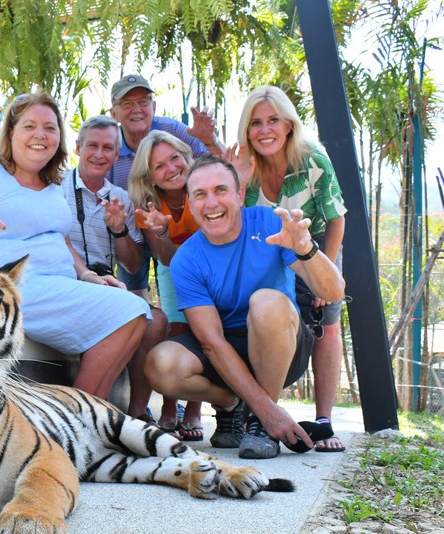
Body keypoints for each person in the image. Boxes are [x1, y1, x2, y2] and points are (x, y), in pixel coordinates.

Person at [0, 92, 151, 401]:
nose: (40, 135)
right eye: (30, 126)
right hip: (10, 287)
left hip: (57, 285)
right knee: (131, 310)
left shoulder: (52, 180)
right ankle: (73, 417)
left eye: (50, 127)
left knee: (132, 309)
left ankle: (85, 415)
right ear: (11, 132)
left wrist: (87, 276)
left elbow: (60, 238)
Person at [144, 154, 346, 459]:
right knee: (160, 364)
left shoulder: (271, 224)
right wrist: (269, 411)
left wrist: (306, 248)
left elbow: (332, 291)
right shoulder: (186, 258)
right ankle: (232, 403)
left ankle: (259, 423)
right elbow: (211, 342)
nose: (211, 203)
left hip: (280, 342)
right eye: (200, 194)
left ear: (239, 195)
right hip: (226, 348)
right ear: (190, 203)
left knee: (265, 302)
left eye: (220, 190)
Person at [234, 85, 348, 452]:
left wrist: (319, 270)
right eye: (256, 123)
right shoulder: (247, 169)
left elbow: (336, 220)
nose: (264, 129)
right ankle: (263, 412)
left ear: (288, 125)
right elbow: (239, 222)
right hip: (269, 251)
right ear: (247, 129)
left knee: (327, 326)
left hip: (313, 246)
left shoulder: (313, 158)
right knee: (263, 317)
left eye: (273, 121)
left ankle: (324, 421)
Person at [61, 115, 174, 429]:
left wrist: (120, 230)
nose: (99, 154)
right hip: (67, 285)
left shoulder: (121, 198)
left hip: (106, 289)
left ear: (116, 153)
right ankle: (78, 417)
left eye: (108, 148)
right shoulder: (55, 188)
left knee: (158, 322)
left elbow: (134, 265)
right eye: (92, 146)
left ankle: (136, 415)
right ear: (78, 148)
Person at [107, 73, 221, 302]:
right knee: (134, 295)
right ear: (114, 113)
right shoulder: (110, 144)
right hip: (133, 223)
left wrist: (211, 141)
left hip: (175, 222)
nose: (136, 109)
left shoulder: (171, 131)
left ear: (154, 106)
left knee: (177, 282)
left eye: (143, 102)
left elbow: (215, 165)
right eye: (127, 104)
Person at [127, 130, 204, 441]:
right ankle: (170, 406)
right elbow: (166, 259)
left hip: (210, 266)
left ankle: (196, 409)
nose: (171, 168)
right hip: (172, 266)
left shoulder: (202, 189)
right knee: (175, 330)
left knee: (204, 331)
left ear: (186, 158)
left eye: (175, 158)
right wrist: (161, 232)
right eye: (160, 166)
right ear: (151, 177)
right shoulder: (149, 204)